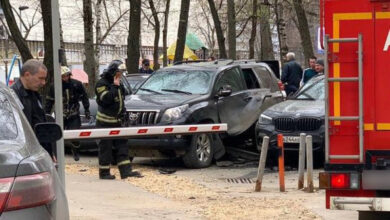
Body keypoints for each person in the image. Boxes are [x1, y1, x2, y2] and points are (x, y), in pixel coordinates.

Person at [95, 60, 142, 179]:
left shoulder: (118, 83)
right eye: (119, 72)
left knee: (122, 147)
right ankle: (104, 173)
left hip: (118, 122)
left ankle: (126, 172)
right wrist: (115, 87)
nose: (121, 75)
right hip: (105, 122)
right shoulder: (101, 84)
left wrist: (124, 113)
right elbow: (106, 99)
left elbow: (121, 99)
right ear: (113, 72)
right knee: (106, 148)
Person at [11, 59, 55, 160]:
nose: (43, 83)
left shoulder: (34, 94)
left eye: (44, 79)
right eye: (40, 78)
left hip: (37, 153)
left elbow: (40, 125)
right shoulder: (12, 96)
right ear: (27, 75)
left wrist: (49, 152)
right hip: (22, 156)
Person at [45, 66, 90, 161]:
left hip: (74, 113)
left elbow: (84, 97)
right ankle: (57, 154)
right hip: (61, 114)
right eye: (62, 76)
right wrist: (47, 114)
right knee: (57, 135)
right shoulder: (54, 86)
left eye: (66, 76)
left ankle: (75, 150)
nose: (65, 78)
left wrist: (87, 109)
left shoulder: (77, 84)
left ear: (69, 75)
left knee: (75, 134)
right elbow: (49, 101)